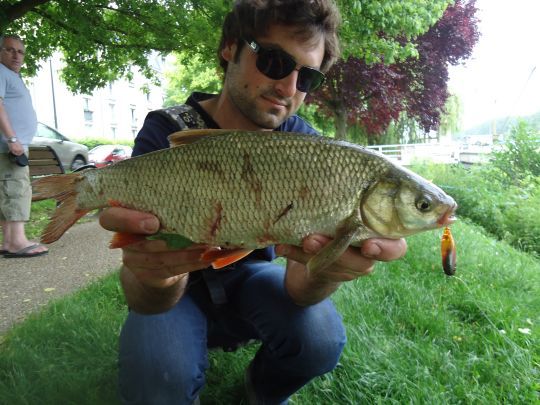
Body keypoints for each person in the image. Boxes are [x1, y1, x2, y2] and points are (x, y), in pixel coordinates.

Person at [99, 1, 407, 403]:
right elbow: (140, 291)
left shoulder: (308, 148)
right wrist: (155, 275)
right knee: (159, 377)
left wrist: (326, 268)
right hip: (180, 289)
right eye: (276, 62)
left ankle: (260, 388)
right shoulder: (168, 131)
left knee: (320, 338)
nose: (289, 87)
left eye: (308, 77)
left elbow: (299, 288)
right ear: (230, 48)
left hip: (251, 278)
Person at [0, 34, 48, 258]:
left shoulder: (11, 76)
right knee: (17, 190)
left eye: (20, 51)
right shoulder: (1, 72)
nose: (16, 55)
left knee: (8, 191)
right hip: (9, 146)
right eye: (10, 49)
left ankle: (10, 241)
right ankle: (18, 241)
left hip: (12, 146)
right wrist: (12, 139)